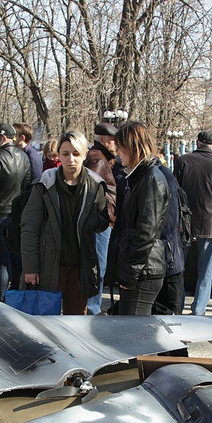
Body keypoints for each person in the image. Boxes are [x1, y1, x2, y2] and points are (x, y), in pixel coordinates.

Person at [20, 130, 108, 315]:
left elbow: (103, 222)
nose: (71, 159)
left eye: (76, 154)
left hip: (80, 267)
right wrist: (30, 268)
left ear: (84, 154)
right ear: (58, 154)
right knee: (45, 324)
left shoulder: (95, 185)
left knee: (76, 325)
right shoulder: (45, 183)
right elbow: (30, 226)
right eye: (66, 153)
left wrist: (96, 220)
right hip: (49, 265)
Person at [113, 122, 185, 316]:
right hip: (143, 267)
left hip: (145, 269)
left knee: (133, 333)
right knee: (135, 331)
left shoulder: (150, 178)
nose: (117, 154)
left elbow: (146, 232)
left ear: (132, 147)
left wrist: (130, 272)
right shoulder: (140, 177)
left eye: (120, 148)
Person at [173, 130, 212, 315]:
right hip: (210, 220)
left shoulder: (183, 161)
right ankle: (199, 308)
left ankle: (178, 304)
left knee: (179, 266)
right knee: (206, 268)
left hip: (185, 220)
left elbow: (175, 189)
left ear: (197, 143)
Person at [0, 123, 31, 302]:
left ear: (2, 138)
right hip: (17, 214)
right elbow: (27, 184)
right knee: (16, 258)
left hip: (0, 213)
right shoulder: (24, 157)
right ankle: (15, 295)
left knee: (2, 261)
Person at [84, 122, 119, 315]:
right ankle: (92, 308)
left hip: (101, 222)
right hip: (99, 224)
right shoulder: (98, 160)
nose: (116, 146)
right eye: (114, 141)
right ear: (105, 141)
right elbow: (92, 196)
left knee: (99, 267)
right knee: (98, 268)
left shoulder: (100, 158)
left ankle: (92, 307)